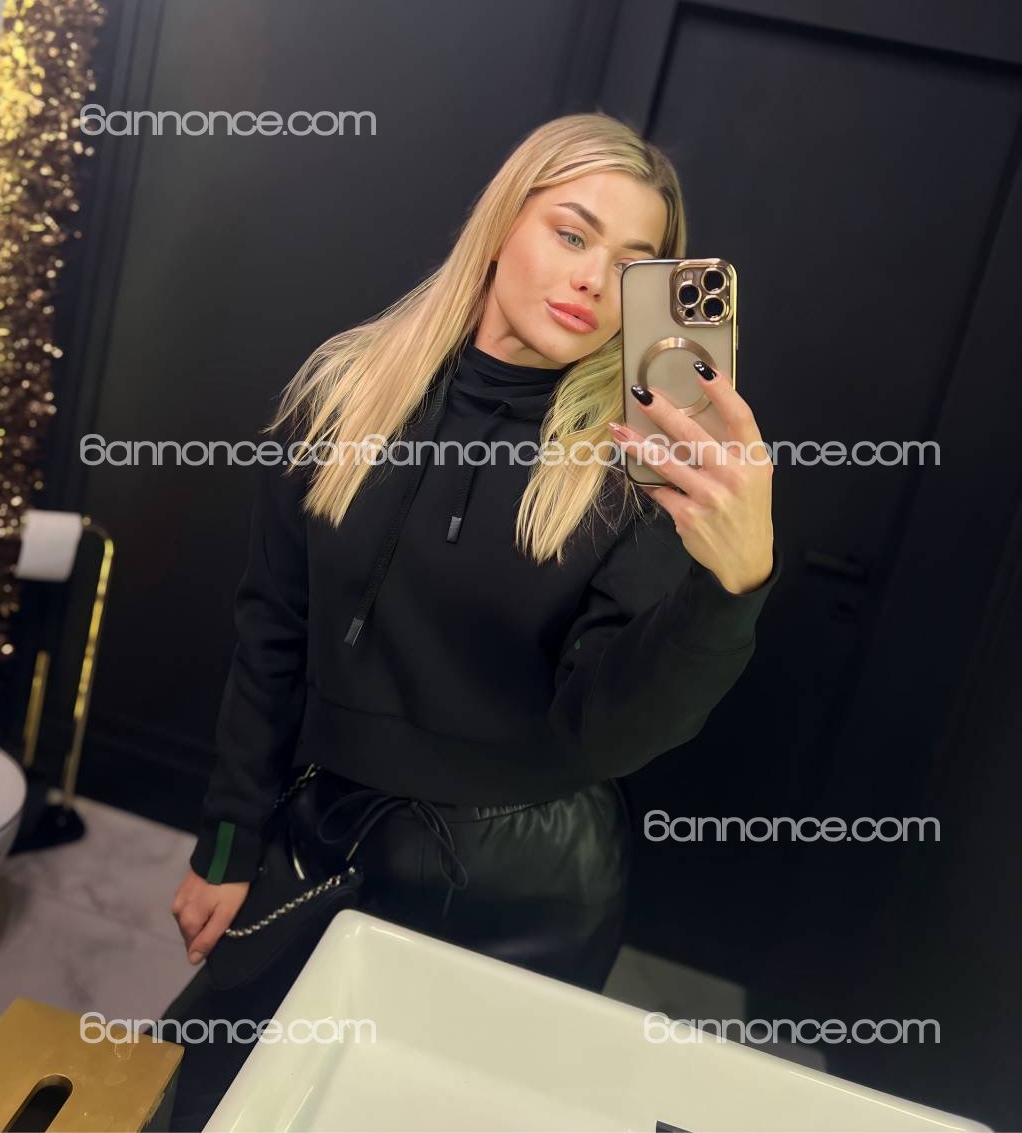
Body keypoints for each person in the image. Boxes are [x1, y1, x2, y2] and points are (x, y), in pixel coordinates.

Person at [164, 112, 781, 1127]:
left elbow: (610, 731)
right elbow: (271, 629)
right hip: (322, 830)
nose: (593, 281)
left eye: (632, 265)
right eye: (572, 233)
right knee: (221, 1103)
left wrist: (731, 589)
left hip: (523, 888)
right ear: (502, 224)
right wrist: (229, 838)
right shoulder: (345, 389)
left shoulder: (637, 467)